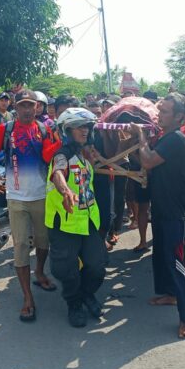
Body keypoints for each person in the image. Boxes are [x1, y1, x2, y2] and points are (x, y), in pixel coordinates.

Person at [0, 89, 56, 322]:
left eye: (30, 105)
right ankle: (27, 297)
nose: (26, 109)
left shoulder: (44, 129)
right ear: (15, 107)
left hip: (42, 196)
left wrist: (64, 140)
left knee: (44, 242)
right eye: (22, 105)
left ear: (37, 107)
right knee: (21, 244)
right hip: (15, 198)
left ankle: (40, 271)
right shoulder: (6, 129)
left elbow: (48, 157)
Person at [133, 93, 185, 339]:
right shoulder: (165, 137)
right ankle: (169, 294)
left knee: (177, 263)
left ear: (180, 116)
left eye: (166, 111)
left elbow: (147, 161)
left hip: (174, 210)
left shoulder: (176, 139)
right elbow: (143, 158)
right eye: (160, 110)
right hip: (161, 207)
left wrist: (140, 137)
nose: (160, 114)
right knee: (161, 255)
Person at [45, 108, 107, 327]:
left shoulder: (84, 153)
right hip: (65, 222)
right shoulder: (62, 154)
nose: (85, 130)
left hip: (88, 221)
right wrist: (65, 192)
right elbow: (58, 173)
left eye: (87, 126)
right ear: (68, 129)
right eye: (81, 126)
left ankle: (86, 293)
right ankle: (74, 303)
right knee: (66, 270)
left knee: (97, 266)